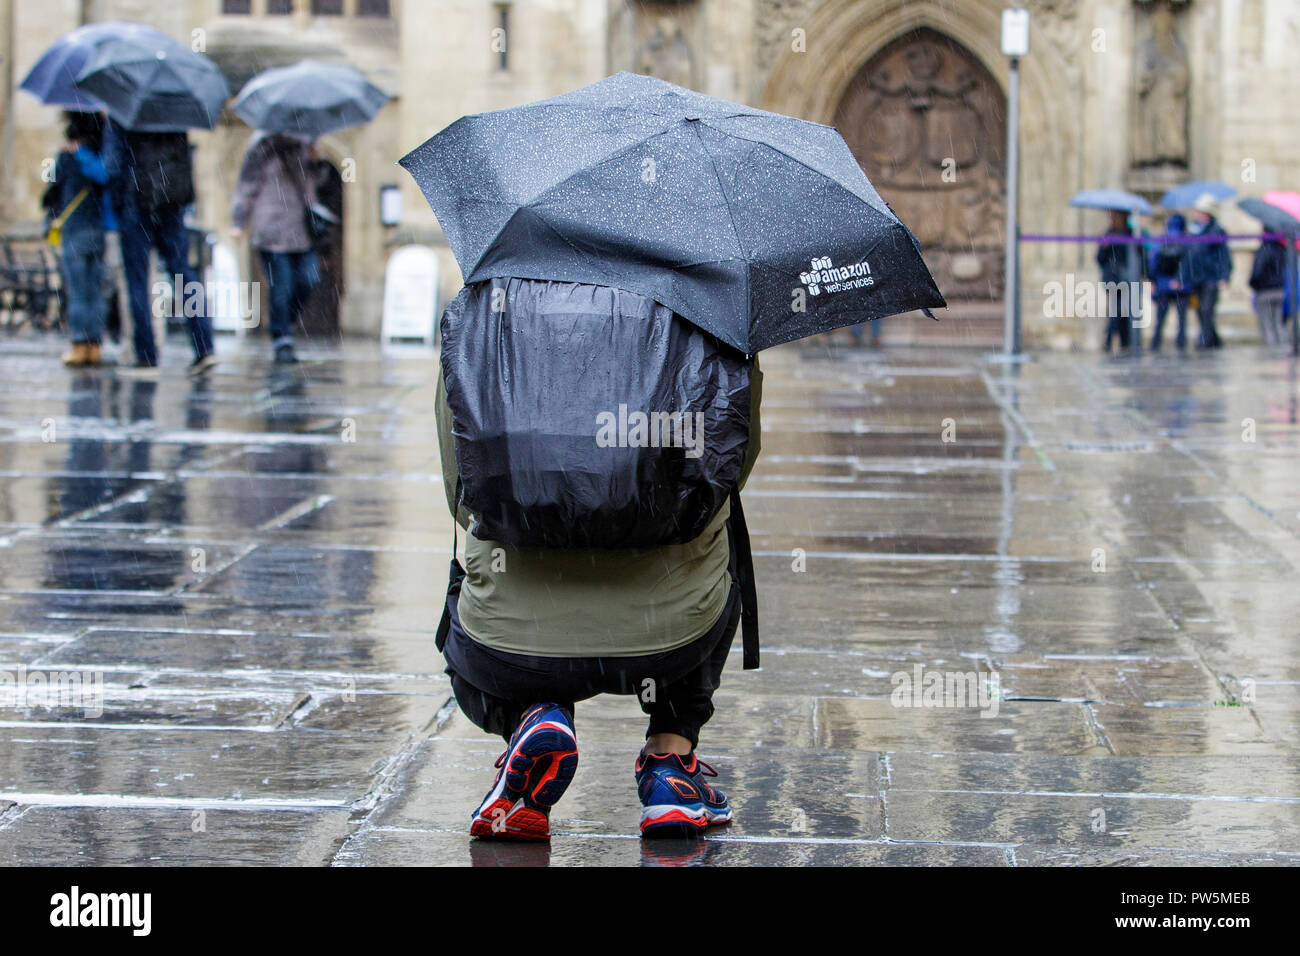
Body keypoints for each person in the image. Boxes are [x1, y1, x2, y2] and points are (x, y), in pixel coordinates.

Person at [434, 278, 763, 841]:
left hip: (509, 644)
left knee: (467, 580)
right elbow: (733, 462)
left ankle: (533, 718)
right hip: (673, 635)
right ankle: (670, 766)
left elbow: (460, 487)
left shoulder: (487, 304)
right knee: (718, 542)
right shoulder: (713, 304)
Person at [102, 118, 216, 374]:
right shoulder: (173, 110)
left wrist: (120, 204)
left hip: (136, 202)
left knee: (138, 280)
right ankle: (204, 346)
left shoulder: (122, 113)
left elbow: (113, 166)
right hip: (170, 201)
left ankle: (146, 353)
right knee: (183, 273)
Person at [230, 132, 324, 364]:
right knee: (281, 286)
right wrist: (239, 222)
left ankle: (287, 322)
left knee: (308, 279)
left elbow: (318, 183)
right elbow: (247, 185)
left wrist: (316, 161)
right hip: (271, 228)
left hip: (302, 228)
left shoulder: (305, 144)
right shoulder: (261, 145)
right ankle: (281, 338)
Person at [46, 112, 108, 367]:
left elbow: (52, 191)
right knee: (95, 291)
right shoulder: (100, 154)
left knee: (78, 291)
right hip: (99, 229)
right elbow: (105, 178)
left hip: (74, 230)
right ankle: (94, 345)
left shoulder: (68, 156)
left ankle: (80, 343)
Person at [1185, 194, 1232, 349]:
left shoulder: (1216, 230)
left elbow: (1224, 255)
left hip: (1211, 277)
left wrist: (1224, 276)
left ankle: (1203, 343)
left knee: (1207, 310)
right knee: (1200, 311)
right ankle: (1215, 341)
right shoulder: (1193, 231)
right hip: (1196, 277)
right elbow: (1188, 256)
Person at [1148, 213, 1193, 352]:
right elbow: (1190, 264)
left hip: (1163, 285)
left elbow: (1153, 263)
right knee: (1182, 321)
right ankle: (1181, 346)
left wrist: (1154, 281)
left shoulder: (1161, 240)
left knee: (1160, 320)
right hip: (1182, 287)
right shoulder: (1188, 241)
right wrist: (1181, 280)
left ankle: (1155, 345)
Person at [1097, 209, 1136, 353]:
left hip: (1125, 277)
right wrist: (1104, 247)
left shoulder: (1130, 233)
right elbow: (1100, 258)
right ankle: (1111, 342)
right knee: (1116, 310)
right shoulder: (1108, 234)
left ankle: (1122, 342)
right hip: (1112, 278)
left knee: (1122, 311)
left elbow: (1135, 255)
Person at [1248, 235, 1288, 348]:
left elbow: (1257, 271)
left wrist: (1252, 283)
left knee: (1266, 323)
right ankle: (1283, 347)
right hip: (1279, 289)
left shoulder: (1264, 250)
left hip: (1265, 290)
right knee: (1278, 322)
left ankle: (1271, 350)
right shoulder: (1281, 249)